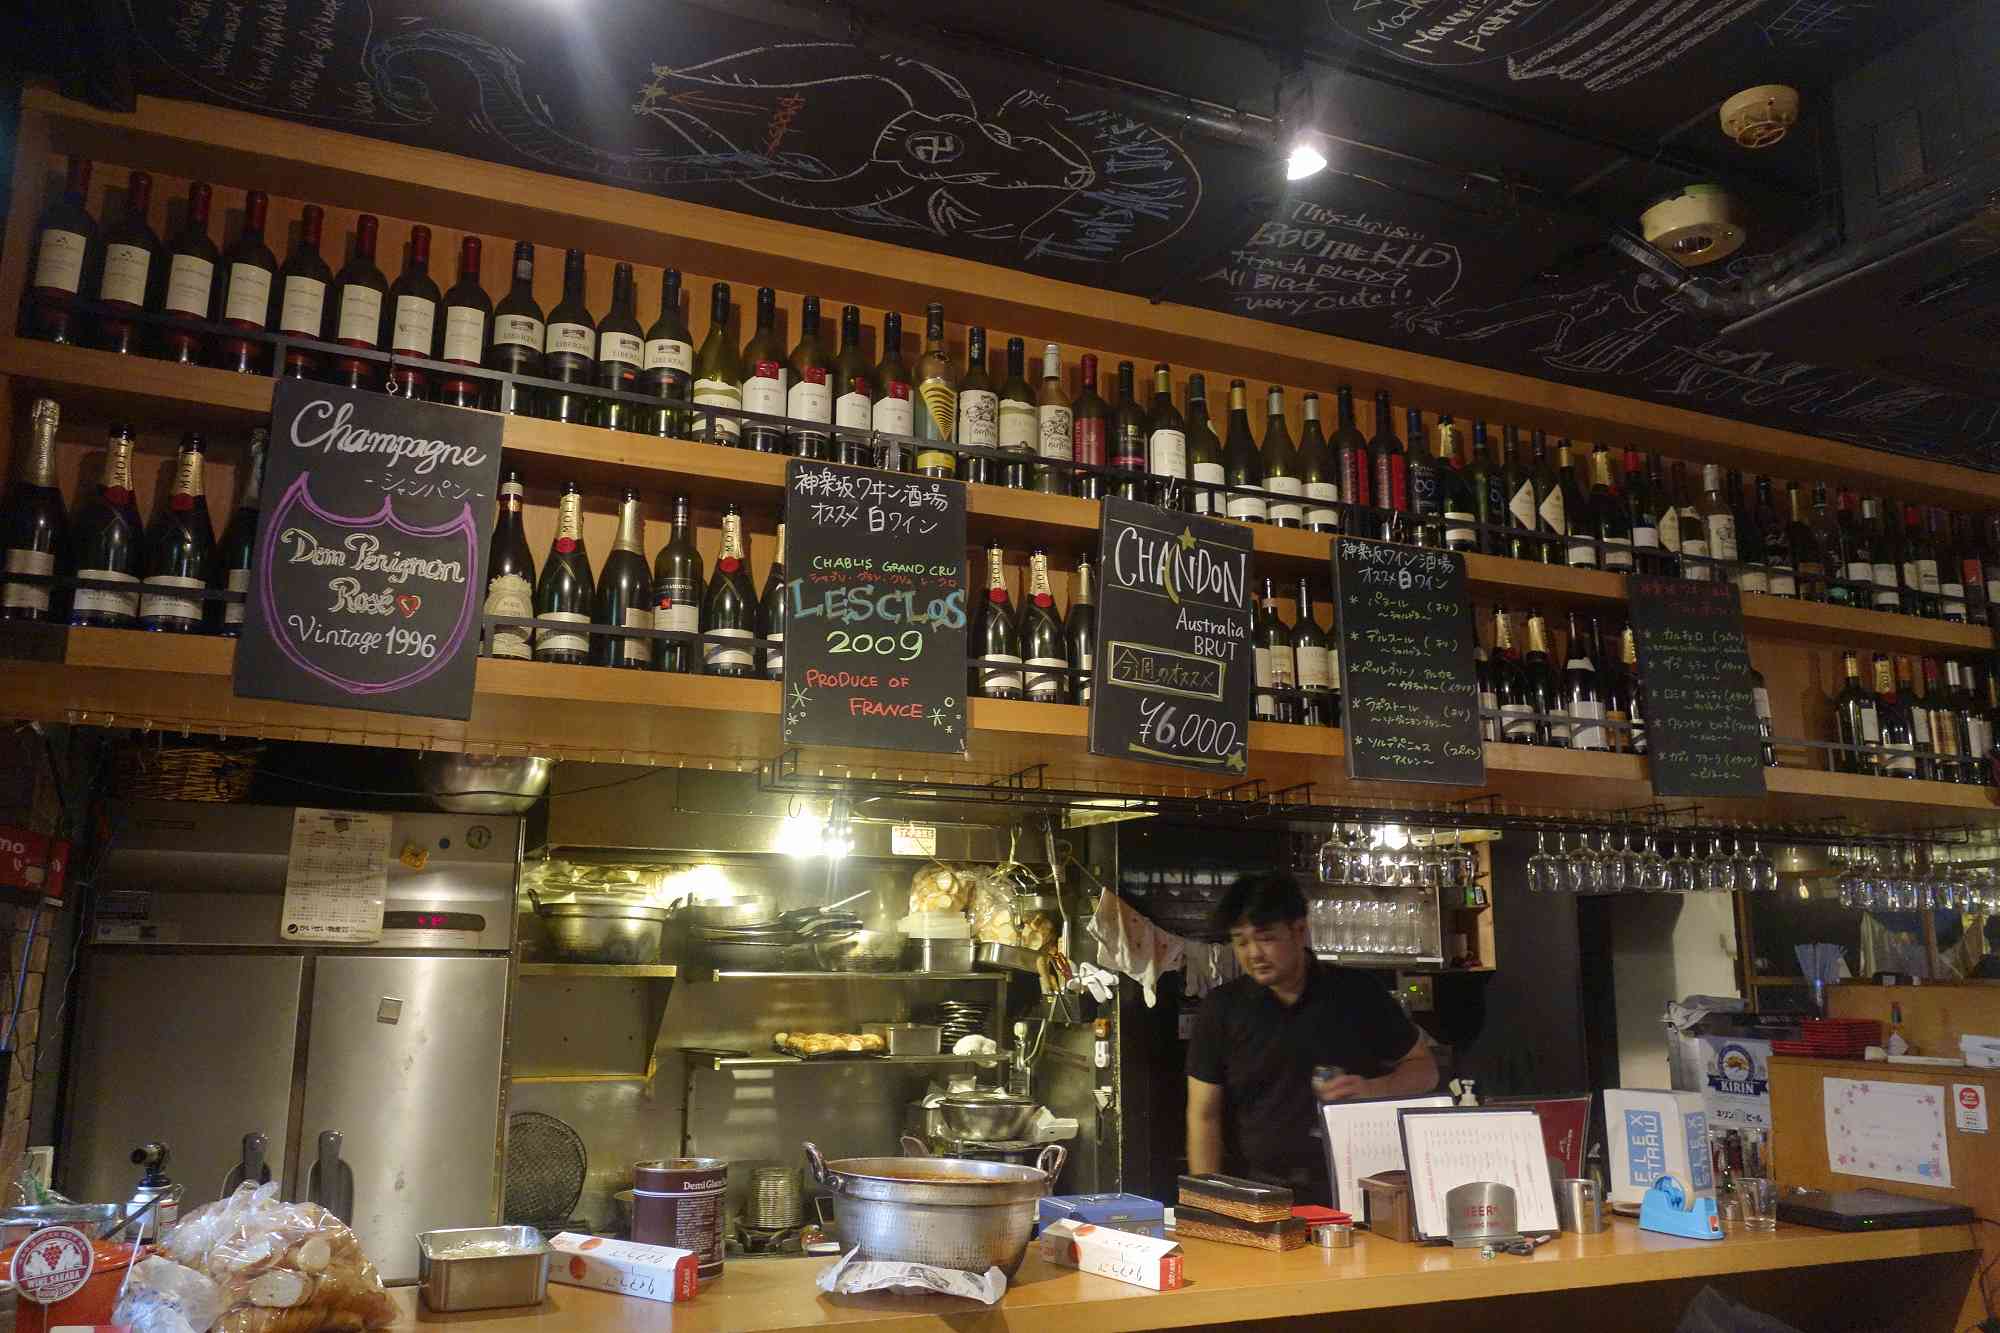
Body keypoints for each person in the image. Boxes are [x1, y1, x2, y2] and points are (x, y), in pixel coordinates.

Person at [1186, 871, 1438, 1204]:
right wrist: (1205, 1203)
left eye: (1265, 938)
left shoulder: (1358, 993)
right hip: (1260, 1192)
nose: (1253, 953)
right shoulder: (1222, 1008)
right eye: (1241, 942)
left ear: (1299, 930)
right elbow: (1203, 1114)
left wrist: (1373, 1089)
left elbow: (1425, 1070)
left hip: (1358, 1187)